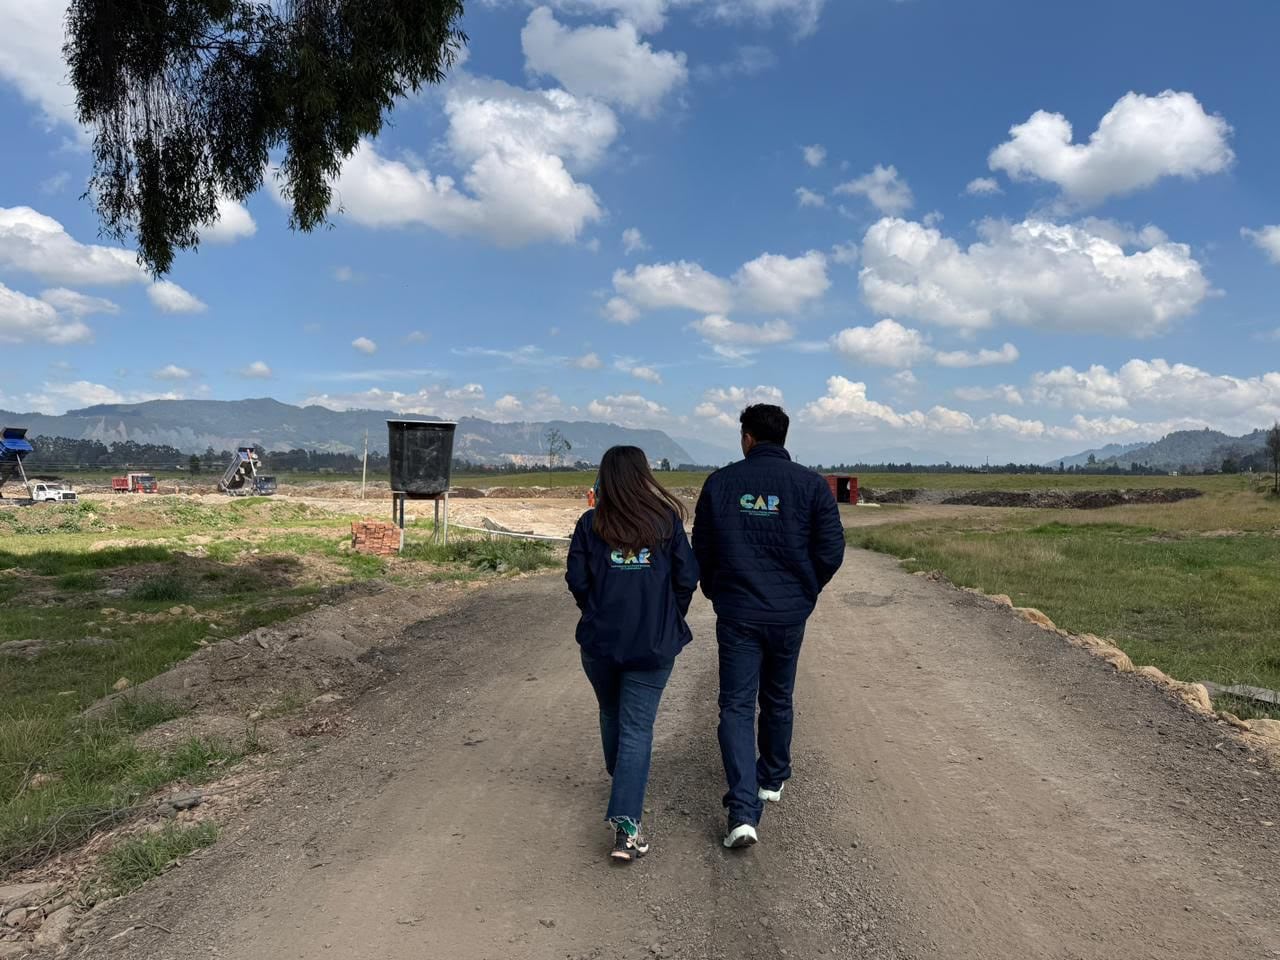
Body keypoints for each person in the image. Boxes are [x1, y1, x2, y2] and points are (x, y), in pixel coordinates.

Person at [692, 404, 846, 849]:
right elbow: (831, 550)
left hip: (738, 612)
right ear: (783, 436)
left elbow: (702, 546)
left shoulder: (721, 483)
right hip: (788, 614)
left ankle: (742, 812)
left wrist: (716, 588)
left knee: (737, 705)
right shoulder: (811, 485)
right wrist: (804, 590)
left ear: (747, 438)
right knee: (778, 694)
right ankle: (772, 777)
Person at [566, 445, 699, 862]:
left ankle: (623, 777)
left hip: (600, 643)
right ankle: (626, 827)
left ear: (605, 477)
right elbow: (687, 578)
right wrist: (667, 616)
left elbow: (577, 580)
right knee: (637, 728)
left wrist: (598, 611)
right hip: (653, 645)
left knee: (611, 713)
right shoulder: (665, 522)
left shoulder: (590, 524)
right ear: (644, 476)